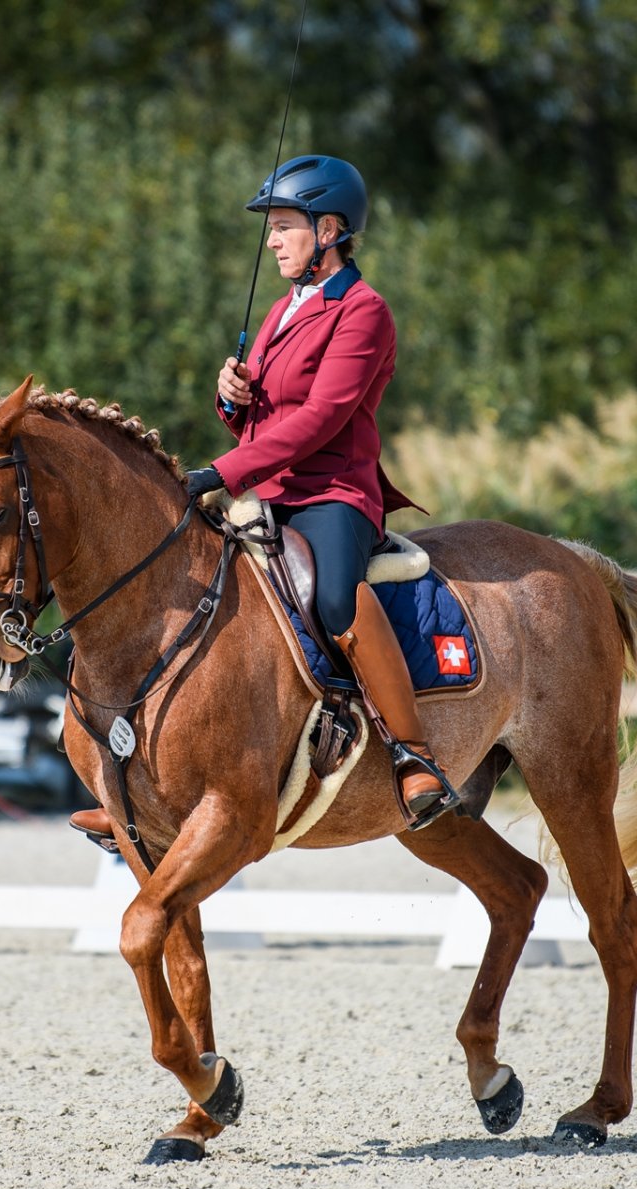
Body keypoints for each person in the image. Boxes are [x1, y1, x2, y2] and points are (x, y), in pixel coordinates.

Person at [71, 155, 458, 844]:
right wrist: (232, 397)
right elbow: (270, 416)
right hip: (267, 488)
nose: (273, 241)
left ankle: (411, 754)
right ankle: (147, 783)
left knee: (335, 597)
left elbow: (320, 420)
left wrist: (221, 470)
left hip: (330, 494)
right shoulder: (287, 308)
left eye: (284, 227)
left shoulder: (363, 312)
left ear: (330, 228)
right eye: (273, 229)